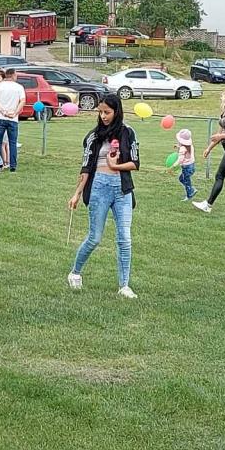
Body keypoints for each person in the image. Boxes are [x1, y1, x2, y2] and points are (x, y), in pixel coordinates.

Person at [68, 91, 140, 298]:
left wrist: (114, 165)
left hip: (122, 189)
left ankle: (124, 285)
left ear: (117, 111)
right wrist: (77, 194)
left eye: (107, 112)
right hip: (99, 187)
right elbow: (86, 168)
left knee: (124, 238)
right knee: (95, 238)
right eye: (100, 112)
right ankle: (75, 272)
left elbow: (135, 163)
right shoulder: (93, 136)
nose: (103, 116)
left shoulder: (128, 132)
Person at [0, 68, 26, 172]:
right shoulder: (19, 87)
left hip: (0, 117)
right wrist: (15, 112)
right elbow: (23, 101)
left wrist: (1, 111)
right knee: (12, 142)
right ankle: (13, 165)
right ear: (13, 75)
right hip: (13, 118)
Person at [171, 128, 196, 201]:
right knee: (181, 179)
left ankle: (189, 195)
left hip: (186, 168)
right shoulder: (190, 146)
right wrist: (178, 146)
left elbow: (180, 159)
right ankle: (191, 189)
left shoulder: (182, 149)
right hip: (192, 166)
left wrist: (174, 165)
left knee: (186, 181)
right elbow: (185, 149)